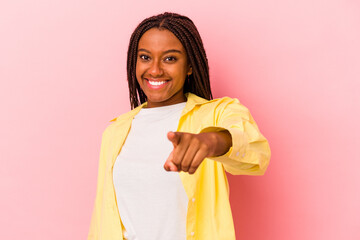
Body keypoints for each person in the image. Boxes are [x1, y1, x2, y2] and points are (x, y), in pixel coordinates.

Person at [88, 12, 271, 240]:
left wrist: (210, 141)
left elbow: (257, 153)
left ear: (190, 67)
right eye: (145, 57)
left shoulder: (216, 114)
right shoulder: (115, 131)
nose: (155, 70)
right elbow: (103, 221)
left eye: (170, 59)